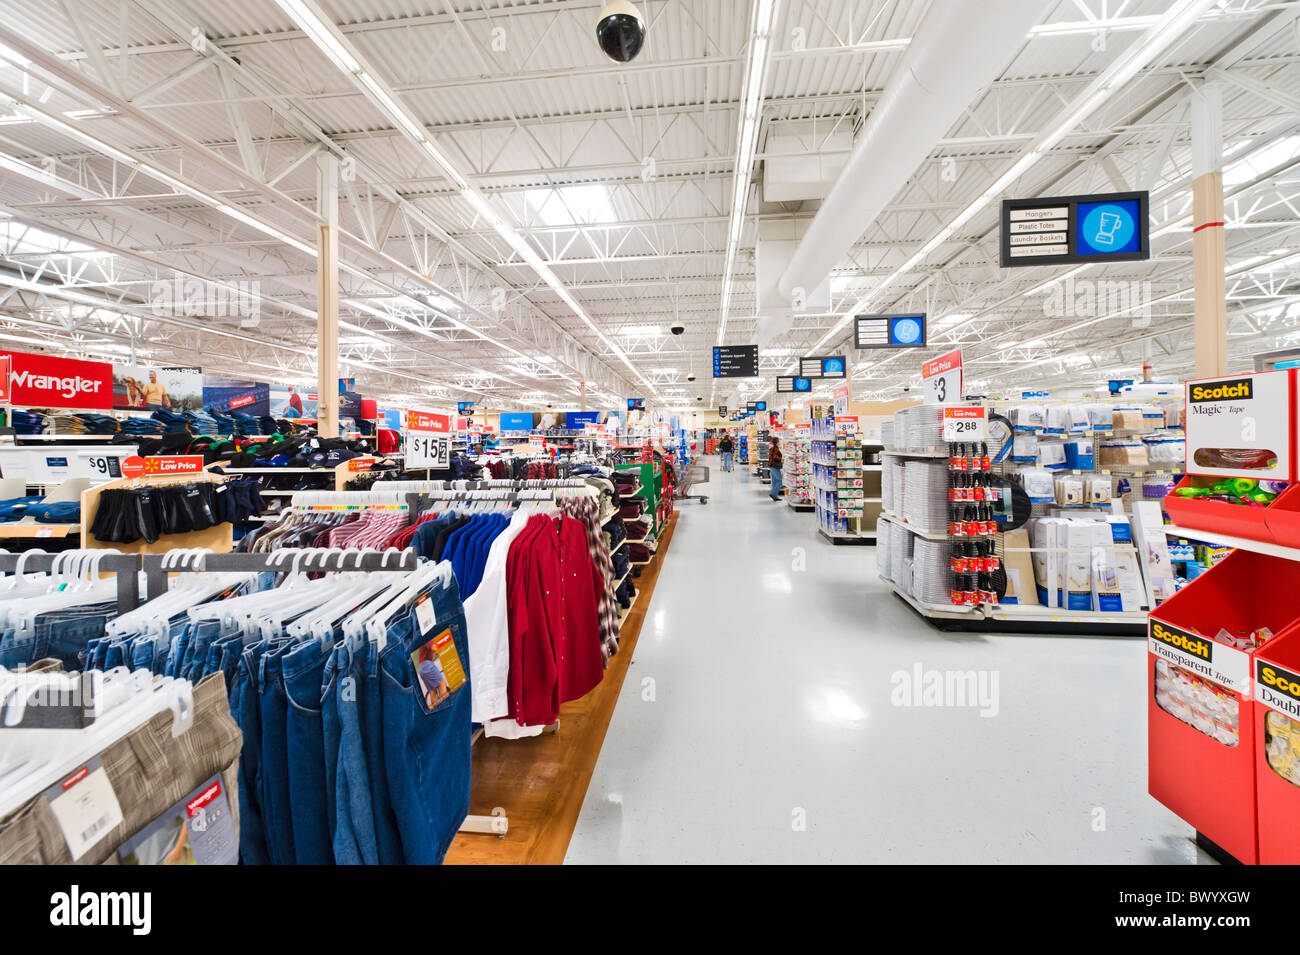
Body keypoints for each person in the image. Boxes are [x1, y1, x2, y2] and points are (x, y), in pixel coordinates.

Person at [768, 436, 784, 502]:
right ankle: (774, 494)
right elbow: (775, 457)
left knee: (775, 481)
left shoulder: (772, 448)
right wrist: (781, 459)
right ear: (777, 442)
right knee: (779, 481)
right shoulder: (775, 449)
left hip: (772, 466)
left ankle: (775, 495)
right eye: (779, 441)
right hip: (775, 466)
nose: (780, 442)